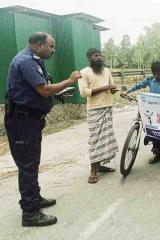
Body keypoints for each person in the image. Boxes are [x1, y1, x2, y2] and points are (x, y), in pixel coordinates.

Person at [4, 32, 81, 226]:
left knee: (32, 162)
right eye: (51, 46)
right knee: (28, 166)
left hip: (30, 120)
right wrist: (69, 81)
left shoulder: (34, 59)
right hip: (22, 122)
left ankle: (34, 198)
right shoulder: (26, 61)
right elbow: (44, 89)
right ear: (39, 45)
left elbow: (38, 90)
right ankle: (30, 213)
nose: (53, 50)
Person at [121, 61, 160, 166]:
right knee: (153, 131)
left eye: (159, 73)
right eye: (154, 73)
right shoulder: (150, 80)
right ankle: (157, 154)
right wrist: (127, 91)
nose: (156, 75)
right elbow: (138, 85)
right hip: (152, 109)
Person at [78, 48, 119, 184]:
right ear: (89, 58)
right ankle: (93, 170)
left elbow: (111, 88)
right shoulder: (84, 72)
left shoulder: (106, 71)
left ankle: (100, 166)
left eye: (101, 55)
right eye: (96, 55)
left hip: (107, 107)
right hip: (94, 110)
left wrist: (112, 89)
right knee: (95, 141)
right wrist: (104, 87)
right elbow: (84, 93)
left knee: (105, 140)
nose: (99, 57)